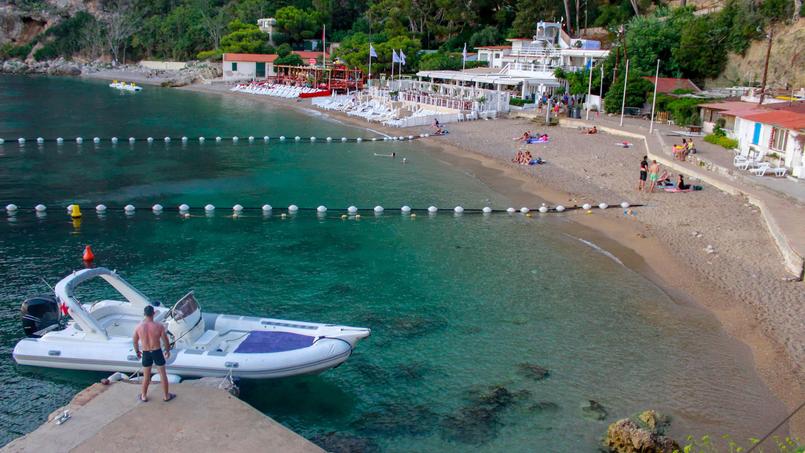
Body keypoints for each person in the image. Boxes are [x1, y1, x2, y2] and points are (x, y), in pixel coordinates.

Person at [132, 305, 175, 402]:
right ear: (153, 313)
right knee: (162, 374)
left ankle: (143, 396)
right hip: (157, 351)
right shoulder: (159, 326)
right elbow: (165, 340)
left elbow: (134, 341)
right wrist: (167, 351)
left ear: (144, 314)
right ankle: (166, 396)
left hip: (146, 352)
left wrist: (137, 351)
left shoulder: (138, 327)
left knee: (146, 376)